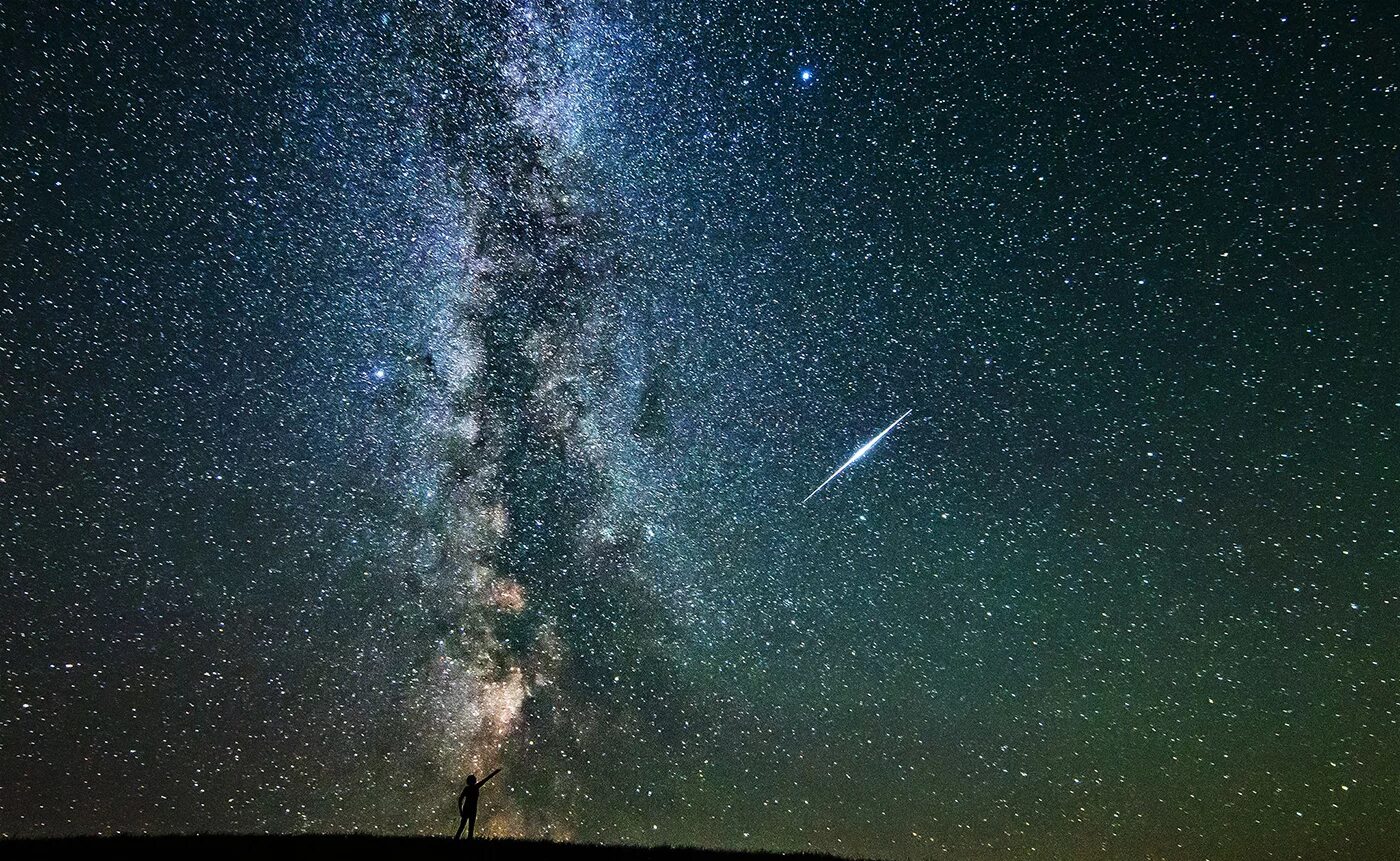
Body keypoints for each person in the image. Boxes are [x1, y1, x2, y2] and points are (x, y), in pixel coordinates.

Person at [455, 767, 501, 840]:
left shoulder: (468, 788)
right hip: (471, 809)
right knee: (469, 827)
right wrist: (495, 772)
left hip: (467, 809)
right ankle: (466, 840)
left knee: (464, 826)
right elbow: (487, 778)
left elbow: (460, 800)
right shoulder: (475, 787)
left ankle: (457, 839)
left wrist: (461, 811)